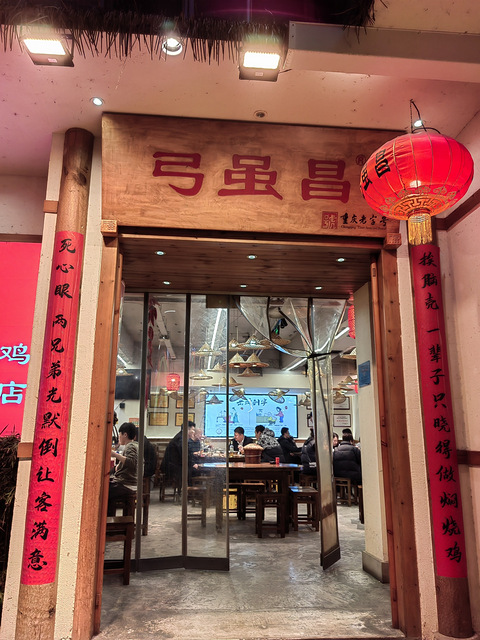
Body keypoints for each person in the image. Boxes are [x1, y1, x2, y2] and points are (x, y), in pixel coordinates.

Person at [107, 422, 138, 516]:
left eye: (119, 434)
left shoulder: (130, 446)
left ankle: (108, 519)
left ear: (125, 435)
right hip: (130, 483)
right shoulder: (135, 445)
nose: (119, 437)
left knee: (105, 492)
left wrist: (114, 454)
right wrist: (118, 466)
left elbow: (131, 463)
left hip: (127, 484)